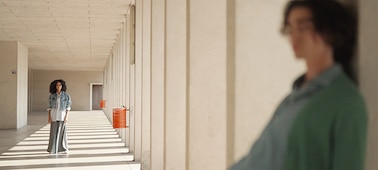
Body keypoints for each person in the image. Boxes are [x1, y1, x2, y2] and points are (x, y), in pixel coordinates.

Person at [231, 0, 367, 170]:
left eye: (303, 27)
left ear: (329, 30)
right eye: (290, 28)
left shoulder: (346, 101)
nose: (294, 35)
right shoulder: (295, 96)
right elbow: (263, 155)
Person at [47, 79, 72, 154]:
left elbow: (68, 107)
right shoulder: (52, 96)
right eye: (57, 85)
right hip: (54, 115)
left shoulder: (66, 96)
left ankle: (63, 148)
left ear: (62, 86)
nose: (58, 87)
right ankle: (52, 149)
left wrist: (66, 116)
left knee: (62, 133)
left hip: (62, 115)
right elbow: (49, 107)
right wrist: (49, 117)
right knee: (53, 132)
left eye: (60, 85)